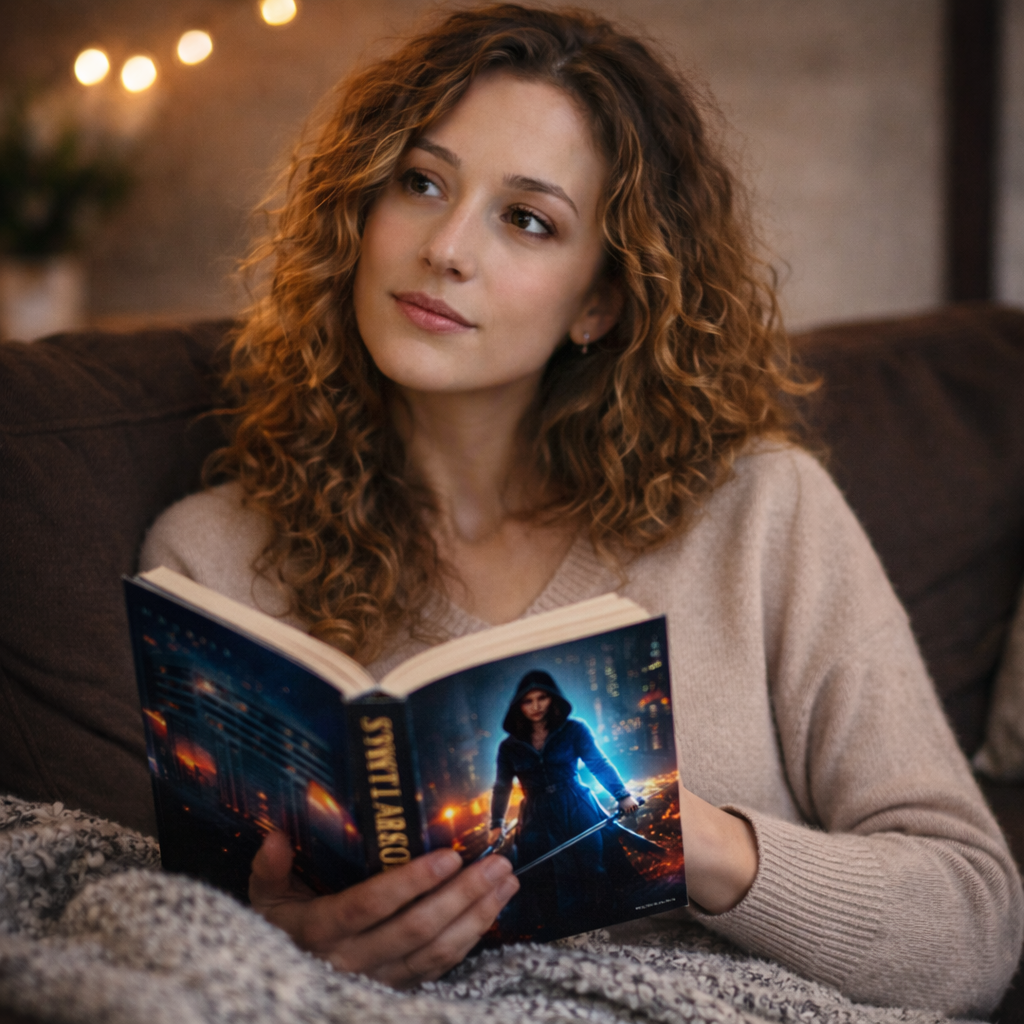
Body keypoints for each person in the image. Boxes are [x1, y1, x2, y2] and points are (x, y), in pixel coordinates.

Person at [139, 2, 1023, 1013]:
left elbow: (974, 926)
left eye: (527, 219)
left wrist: (692, 844)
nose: (445, 247)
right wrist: (281, 944)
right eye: (419, 182)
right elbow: (181, 938)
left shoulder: (758, 514)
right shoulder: (210, 557)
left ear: (600, 301)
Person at [487, 670, 643, 936]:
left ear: (552, 699)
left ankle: (613, 924)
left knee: (592, 867)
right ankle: (560, 933)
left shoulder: (574, 729)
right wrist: (496, 823)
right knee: (543, 876)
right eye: (528, 701)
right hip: (535, 814)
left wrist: (622, 795)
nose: (536, 706)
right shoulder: (509, 747)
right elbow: (502, 786)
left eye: (542, 698)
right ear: (518, 705)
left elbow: (597, 763)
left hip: (576, 804)